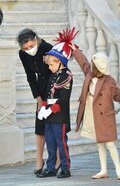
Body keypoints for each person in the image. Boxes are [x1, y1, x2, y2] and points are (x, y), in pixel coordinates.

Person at [70, 43, 120, 180]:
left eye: (94, 63)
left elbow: (117, 96)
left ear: (99, 66)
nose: (91, 65)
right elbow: (84, 63)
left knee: (110, 143)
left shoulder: (109, 81)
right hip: (92, 114)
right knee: (100, 142)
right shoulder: (89, 74)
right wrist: (75, 51)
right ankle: (103, 170)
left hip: (105, 116)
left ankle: (119, 169)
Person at [17, 28, 60, 175]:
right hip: (40, 90)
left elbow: (56, 73)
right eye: (26, 48)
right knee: (40, 126)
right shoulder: (23, 54)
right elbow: (30, 77)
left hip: (53, 88)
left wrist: (51, 98)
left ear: (36, 39)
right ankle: (39, 160)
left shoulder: (48, 48)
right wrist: (39, 99)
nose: (29, 49)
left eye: (31, 46)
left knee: (54, 126)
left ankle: (59, 160)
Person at [36, 28, 78, 178]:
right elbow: (48, 95)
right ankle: (51, 167)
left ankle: (65, 168)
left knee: (61, 143)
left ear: (60, 62)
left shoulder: (66, 76)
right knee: (50, 143)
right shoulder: (54, 76)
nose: (49, 67)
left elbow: (63, 99)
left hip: (59, 116)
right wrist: (43, 108)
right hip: (49, 115)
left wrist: (50, 109)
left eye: (51, 65)